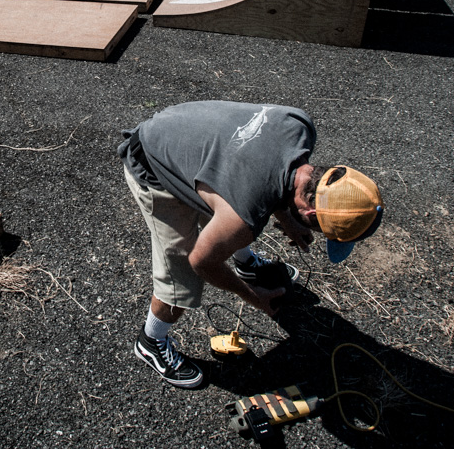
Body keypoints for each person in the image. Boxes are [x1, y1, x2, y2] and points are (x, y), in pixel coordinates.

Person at [118, 101, 384, 388]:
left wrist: (289, 221)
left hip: (185, 134)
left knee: (233, 218)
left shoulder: (299, 126)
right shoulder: (244, 215)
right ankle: (150, 341)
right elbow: (202, 261)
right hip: (151, 161)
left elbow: (271, 175)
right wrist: (252, 297)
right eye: (322, 230)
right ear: (311, 213)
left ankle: (245, 264)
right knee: (181, 274)